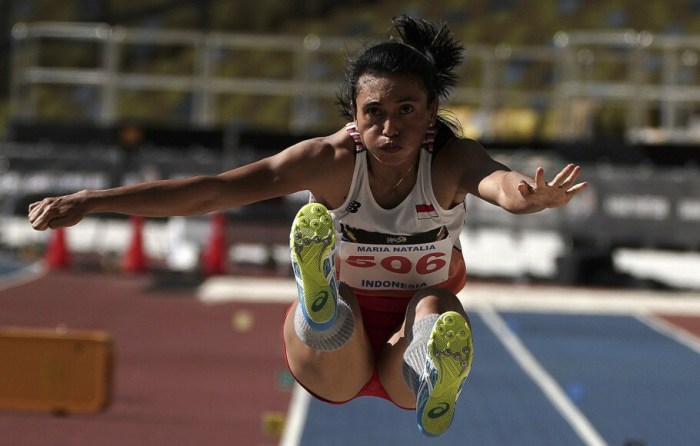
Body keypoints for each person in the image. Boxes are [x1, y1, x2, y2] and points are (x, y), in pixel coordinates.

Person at [28, 15, 587, 437]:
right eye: (375, 113)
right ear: (354, 112)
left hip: (403, 358)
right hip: (330, 355)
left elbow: (501, 184)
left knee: (436, 306)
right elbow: (215, 190)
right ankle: (322, 306)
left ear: (431, 108)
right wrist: (95, 199)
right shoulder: (329, 160)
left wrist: (530, 198)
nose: (390, 128)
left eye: (408, 111)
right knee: (360, 301)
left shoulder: (451, 160)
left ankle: (435, 367)